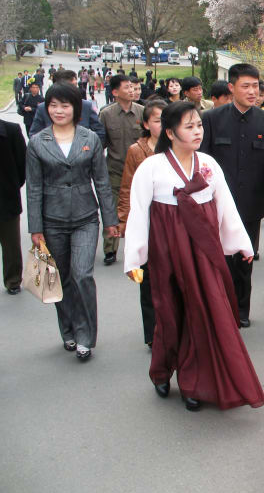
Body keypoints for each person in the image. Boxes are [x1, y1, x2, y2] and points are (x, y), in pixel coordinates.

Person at [124, 102, 264, 411]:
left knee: (201, 311)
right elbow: (138, 213)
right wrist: (135, 259)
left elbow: (225, 206)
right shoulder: (152, 167)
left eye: (199, 125)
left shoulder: (208, 164)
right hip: (167, 248)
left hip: (203, 249)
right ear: (171, 132)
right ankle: (161, 370)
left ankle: (193, 382)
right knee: (170, 313)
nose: (197, 131)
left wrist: (242, 244)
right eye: (189, 127)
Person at [26, 83, 119, 361]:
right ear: (47, 108)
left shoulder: (89, 138)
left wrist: (110, 219)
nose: (59, 110)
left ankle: (85, 336)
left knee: (82, 275)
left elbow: (102, 182)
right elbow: (33, 187)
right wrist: (36, 228)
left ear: (76, 108)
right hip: (51, 220)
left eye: (65, 105)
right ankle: (67, 329)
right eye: (53, 105)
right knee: (62, 278)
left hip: (85, 218)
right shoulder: (37, 142)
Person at [200, 63, 264, 327]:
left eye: (255, 86)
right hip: (216, 204)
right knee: (218, 260)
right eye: (245, 86)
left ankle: (240, 310)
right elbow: (202, 163)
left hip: (251, 204)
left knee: (244, 258)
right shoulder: (211, 120)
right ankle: (218, 309)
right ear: (231, 87)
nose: (252, 92)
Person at [118, 99, 167, 347]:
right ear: (146, 124)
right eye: (157, 120)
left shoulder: (177, 149)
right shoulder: (136, 151)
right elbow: (127, 188)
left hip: (170, 226)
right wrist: (125, 221)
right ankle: (152, 335)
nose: (162, 124)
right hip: (146, 224)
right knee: (147, 282)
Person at [98, 74, 144, 266]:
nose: (131, 90)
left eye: (133, 87)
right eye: (127, 87)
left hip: (140, 171)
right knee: (114, 210)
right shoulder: (106, 114)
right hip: (115, 170)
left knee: (141, 210)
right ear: (115, 92)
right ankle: (110, 248)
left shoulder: (143, 112)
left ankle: (141, 247)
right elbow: (100, 144)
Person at [30, 70, 105, 141]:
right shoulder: (43, 108)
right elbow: (34, 135)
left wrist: (90, 149)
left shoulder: (86, 106)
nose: (75, 89)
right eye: (72, 85)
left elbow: (100, 132)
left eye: (76, 85)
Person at [0, 118, 26, 295]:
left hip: (6, 197)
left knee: (11, 244)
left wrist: (11, 184)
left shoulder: (10, 131)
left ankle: (13, 280)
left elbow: (22, 164)